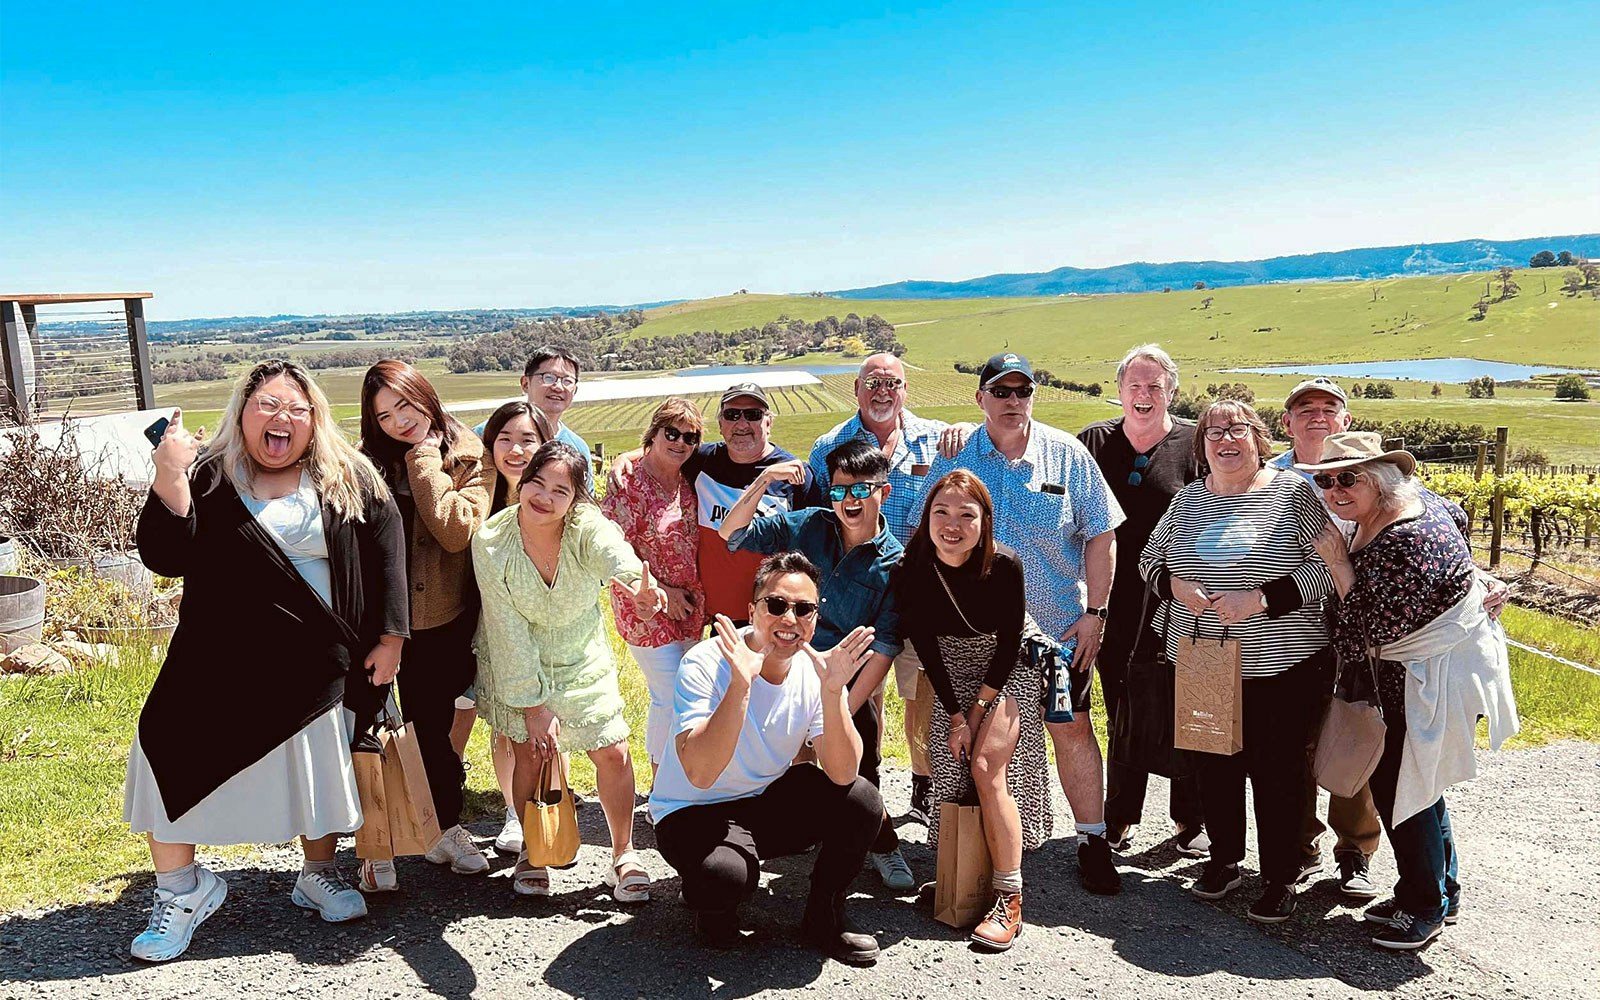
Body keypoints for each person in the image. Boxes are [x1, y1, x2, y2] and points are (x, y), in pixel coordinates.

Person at [123, 360, 408, 962]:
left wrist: (392, 637)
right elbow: (164, 555)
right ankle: (181, 890)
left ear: (314, 420)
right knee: (167, 743)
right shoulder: (206, 475)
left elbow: (388, 548)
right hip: (215, 659)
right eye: (268, 407)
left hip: (318, 660)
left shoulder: (347, 475)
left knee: (316, 768)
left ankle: (317, 873)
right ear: (242, 412)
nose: (282, 419)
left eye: (296, 409)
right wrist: (169, 476)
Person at [1270, 377, 1508, 898]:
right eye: (1304, 408)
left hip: (1381, 660)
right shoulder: (1271, 480)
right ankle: (1314, 852)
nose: (1316, 416)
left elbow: (1372, 618)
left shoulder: (1408, 511)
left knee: (1389, 768)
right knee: (1323, 752)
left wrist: (1474, 579)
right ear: (1286, 422)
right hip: (1300, 639)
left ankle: (1371, 864)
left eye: (1328, 408)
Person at [1302, 432, 1518, 950]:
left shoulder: (1402, 539)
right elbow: (1461, 535)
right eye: (1326, 480)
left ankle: (1423, 907)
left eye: (1348, 478)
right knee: (1424, 782)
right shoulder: (1428, 504)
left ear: (1379, 479)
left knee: (1405, 790)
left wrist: (1337, 565)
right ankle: (1440, 890)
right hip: (1432, 671)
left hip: (1417, 679)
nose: (1334, 489)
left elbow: (1358, 634)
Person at [929, 352, 1126, 895]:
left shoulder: (1067, 454)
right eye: (1001, 391)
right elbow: (936, 531)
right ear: (981, 399)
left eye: (1022, 391)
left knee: (1071, 728)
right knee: (982, 743)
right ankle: (976, 852)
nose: (1012, 401)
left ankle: (1092, 839)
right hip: (982, 640)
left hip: (1060, 635)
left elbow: (1102, 534)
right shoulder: (960, 456)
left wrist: (1096, 613)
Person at [1138, 399, 1336, 923]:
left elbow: (1329, 568)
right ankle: (1224, 859)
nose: (1225, 439)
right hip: (1201, 658)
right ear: (1201, 446)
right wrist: (1173, 584)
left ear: (1258, 438)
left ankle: (1280, 876)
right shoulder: (1187, 501)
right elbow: (1147, 560)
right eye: (1213, 432)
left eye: (1237, 429)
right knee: (1214, 767)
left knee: (1279, 774)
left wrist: (1264, 597)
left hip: (1280, 667)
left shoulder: (1294, 495)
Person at [649, 553, 885, 964]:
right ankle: (712, 902)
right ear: (752, 610)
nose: (789, 619)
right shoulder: (707, 662)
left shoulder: (816, 670)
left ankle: (823, 916)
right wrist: (741, 684)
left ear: (814, 617)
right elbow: (701, 773)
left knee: (861, 798)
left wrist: (833, 693)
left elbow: (843, 772)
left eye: (804, 609)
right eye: (776, 605)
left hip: (761, 800)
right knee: (723, 878)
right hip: (690, 810)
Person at [471, 441, 666, 900]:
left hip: (582, 654)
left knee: (613, 751)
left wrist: (638, 584)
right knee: (530, 753)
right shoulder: (492, 541)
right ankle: (533, 851)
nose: (543, 496)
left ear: (577, 498)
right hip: (519, 656)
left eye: (560, 489)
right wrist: (535, 706)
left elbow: (611, 549)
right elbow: (506, 630)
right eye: (536, 482)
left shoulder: (585, 527)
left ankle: (623, 854)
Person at [719, 437, 912, 891]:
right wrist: (765, 479)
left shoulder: (895, 565)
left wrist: (837, 703)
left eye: (861, 490)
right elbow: (733, 533)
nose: (849, 500)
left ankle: (884, 847)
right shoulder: (809, 524)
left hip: (847, 682)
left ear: (883, 491)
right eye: (840, 490)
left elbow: (883, 648)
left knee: (859, 772)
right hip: (785, 673)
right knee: (778, 763)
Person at [808, 353, 970, 828]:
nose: (883, 391)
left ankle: (921, 785)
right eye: (872, 382)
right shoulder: (828, 447)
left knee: (919, 691)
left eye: (892, 383)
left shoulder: (938, 439)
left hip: (921, 590)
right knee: (864, 696)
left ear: (905, 390)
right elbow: (818, 517)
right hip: (858, 590)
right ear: (855, 389)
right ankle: (858, 787)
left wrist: (965, 426)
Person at [898, 470, 1054, 950]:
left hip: (1005, 672)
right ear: (927, 517)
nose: (952, 524)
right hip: (949, 669)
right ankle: (963, 878)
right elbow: (925, 642)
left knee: (987, 769)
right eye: (941, 512)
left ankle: (1010, 896)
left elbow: (1009, 642)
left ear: (985, 520)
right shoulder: (912, 567)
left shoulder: (1005, 563)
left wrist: (980, 707)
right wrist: (955, 715)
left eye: (967, 514)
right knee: (952, 772)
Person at [356, 360, 494, 891]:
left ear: (425, 395)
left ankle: (445, 826)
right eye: (385, 415)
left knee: (432, 729)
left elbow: (456, 530)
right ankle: (377, 842)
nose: (398, 421)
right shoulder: (364, 463)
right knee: (365, 726)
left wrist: (423, 461)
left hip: (441, 617)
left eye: (405, 405)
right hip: (372, 616)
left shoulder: (465, 453)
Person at [1078, 344, 1207, 857]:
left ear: (1171, 391)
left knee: (1187, 707)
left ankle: (1190, 819)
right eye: (1135, 385)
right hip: (1110, 600)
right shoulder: (1092, 442)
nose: (1144, 394)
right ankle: (1121, 815)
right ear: (1119, 390)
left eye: (1155, 386)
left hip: (1183, 600)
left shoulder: (1196, 443)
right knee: (1123, 707)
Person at [612, 382, 812, 622]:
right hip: (719, 616)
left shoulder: (793, 475)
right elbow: (670, 448)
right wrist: (625, 457)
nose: (741, 424)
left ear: (769, 422)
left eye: (753, 415)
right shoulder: (704, 461)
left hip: (773, 617)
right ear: (721, 425)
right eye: (732, 415)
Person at [452, 400, 552, 857]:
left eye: (527, 440)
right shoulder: (477, 493)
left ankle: (542, 814)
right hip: (479, 627)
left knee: (543, 724)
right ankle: (506, 811)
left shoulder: (553, 496)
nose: (515, 450)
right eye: (504, 439)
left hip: (543, 630)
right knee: (496, 721)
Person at [600, 398, 708, 779]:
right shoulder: (628, 483)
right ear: (655, 433)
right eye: (671, 433)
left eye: (689, 436)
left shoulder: (689, 475)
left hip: (689, 608)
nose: (680, 442)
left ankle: (681, 781)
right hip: (644, 608)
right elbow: (610, 553)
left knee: (688, 691)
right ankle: (663, 785)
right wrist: (664, 592)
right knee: (670, 695)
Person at [472, 346, 593, 487]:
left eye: (567, 381)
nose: (558, 387)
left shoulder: (577, 448)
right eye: (548, 377)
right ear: (525, 383)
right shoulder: (484, 435)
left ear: (575, 390)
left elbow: (585, 503)